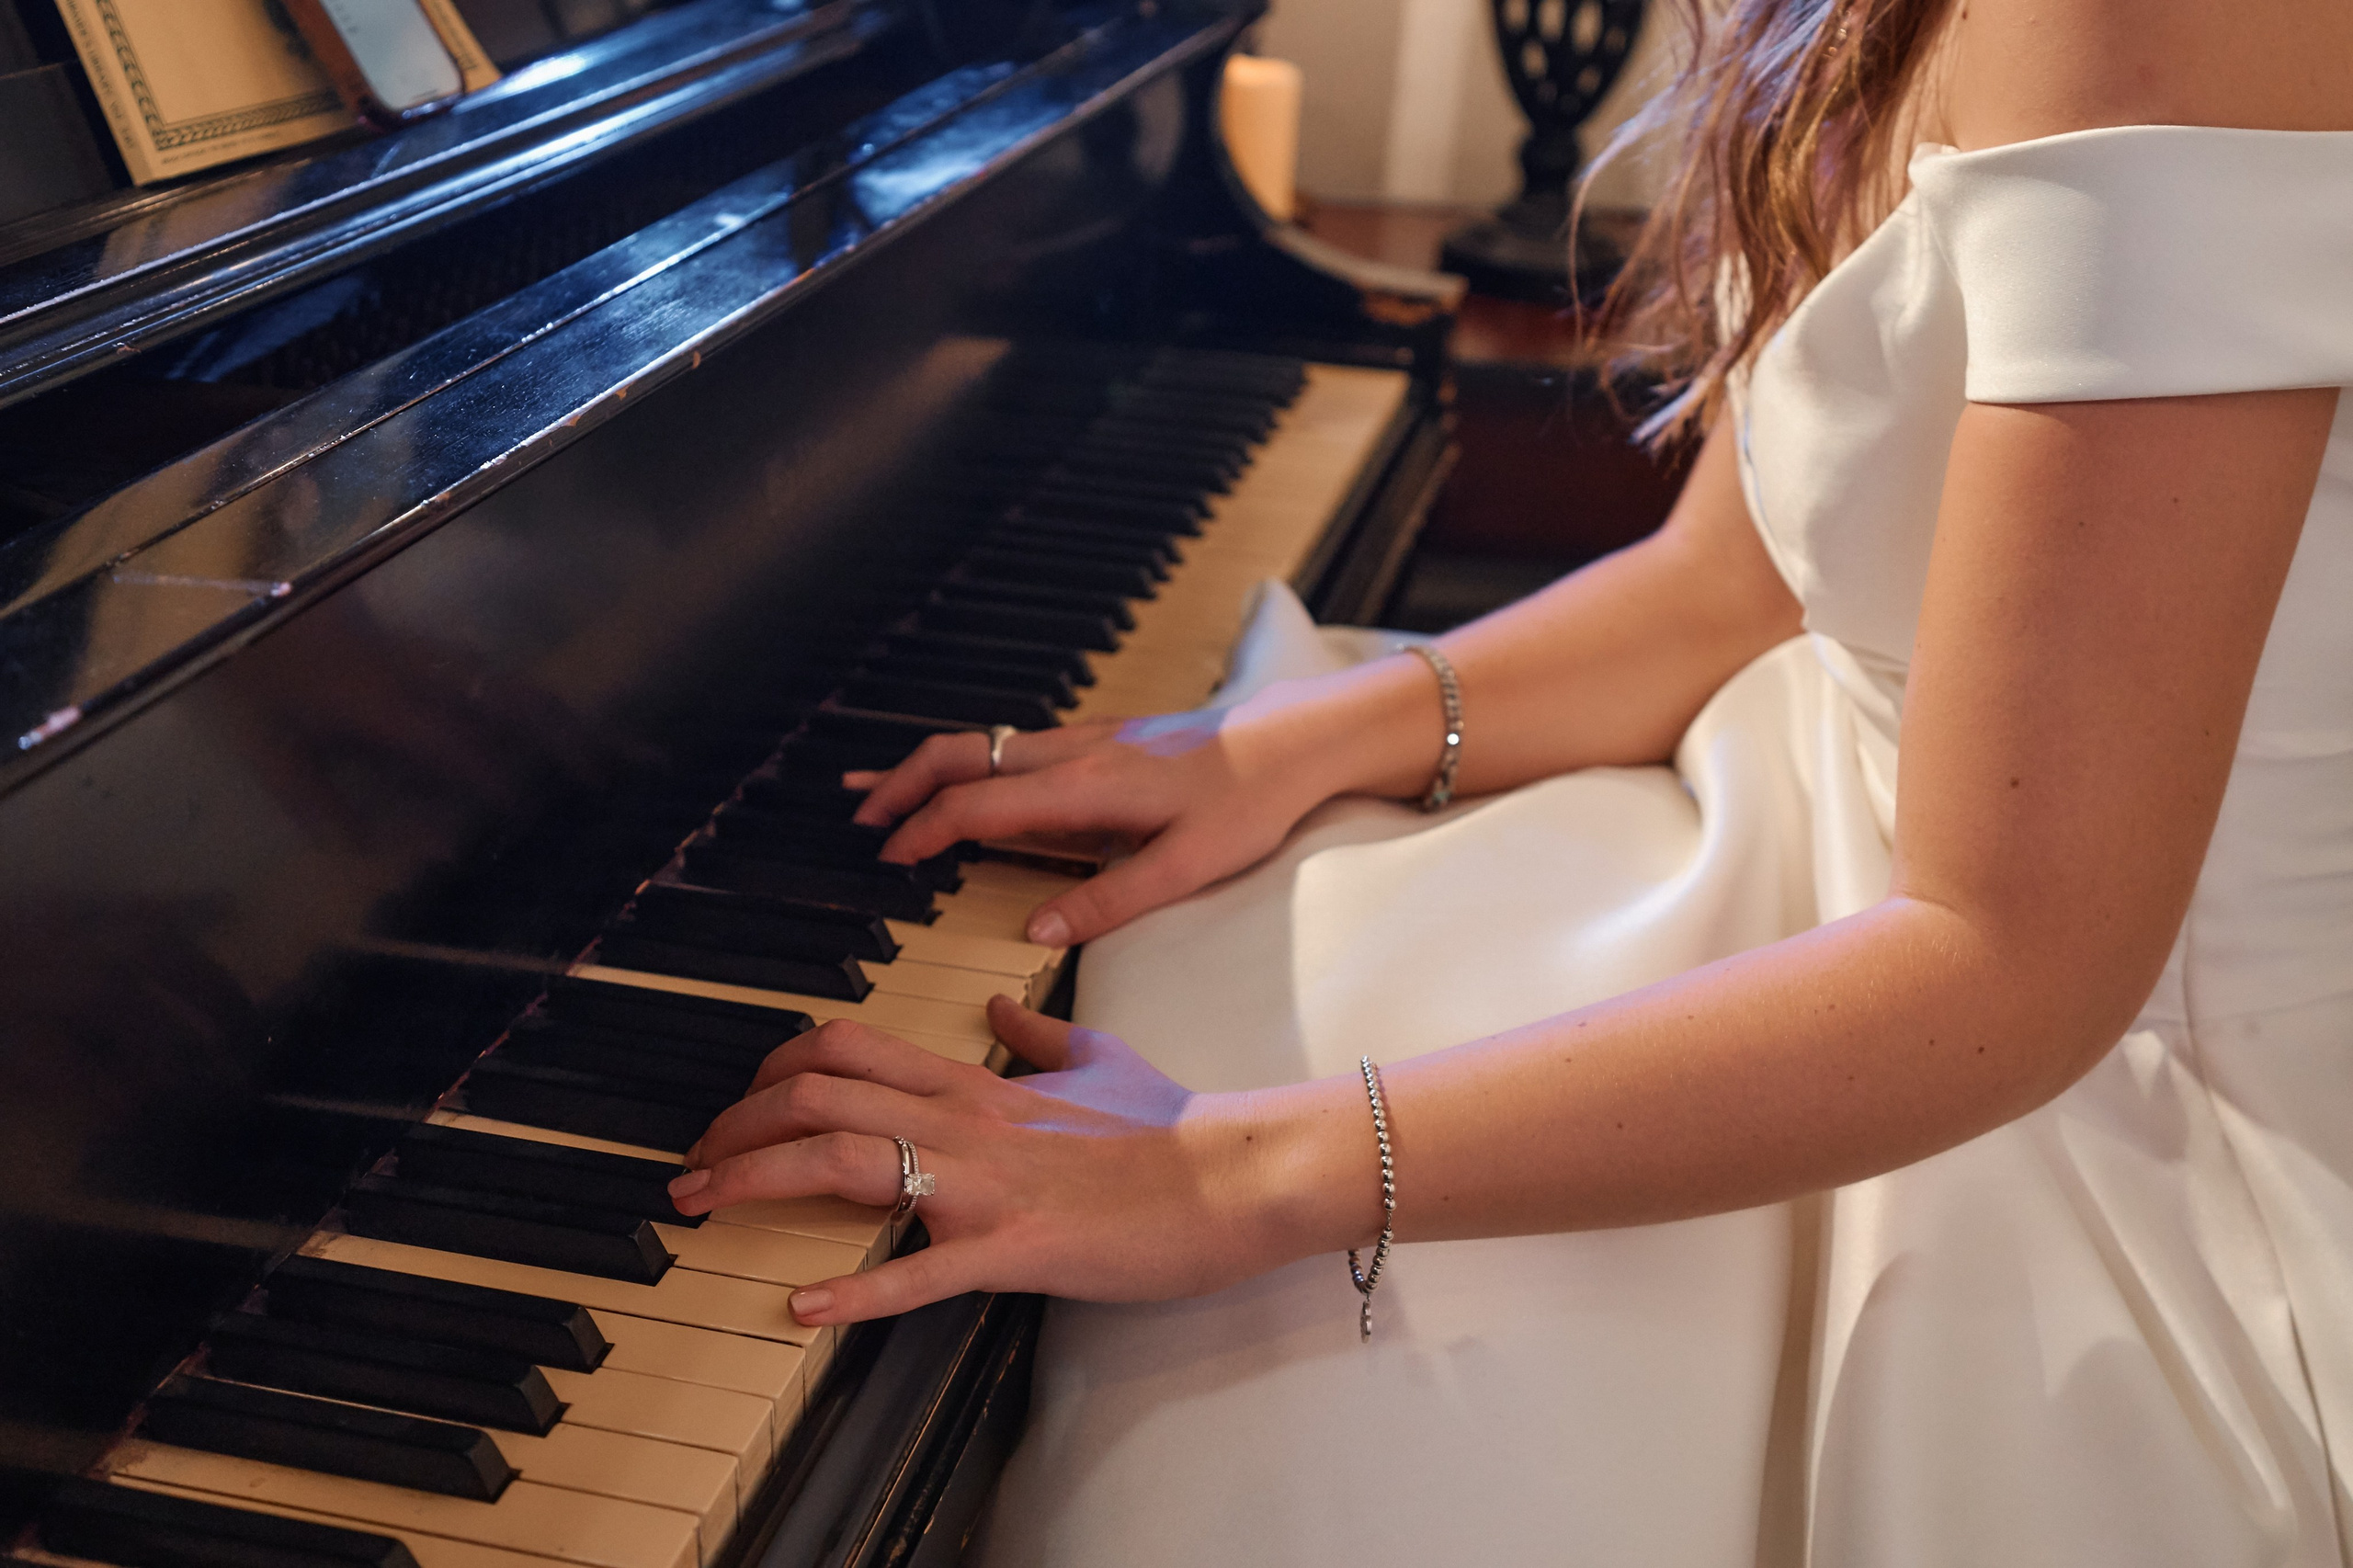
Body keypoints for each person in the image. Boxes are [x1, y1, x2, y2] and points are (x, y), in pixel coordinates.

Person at [666, 0, 2353, 1557]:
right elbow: (1737, 578)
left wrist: (1220, 1172)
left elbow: (2024, 962)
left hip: (2083, 1095)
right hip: (1829, 868)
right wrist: (1285, 745)